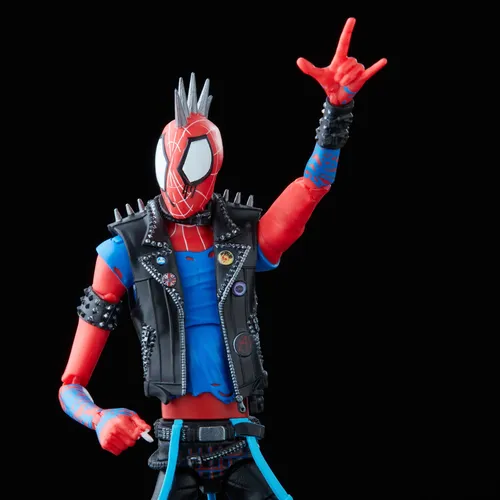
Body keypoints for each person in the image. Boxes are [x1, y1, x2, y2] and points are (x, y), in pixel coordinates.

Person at [59, 17, 387, 499]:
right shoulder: (123, 251)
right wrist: (98, 418)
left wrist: (336, 112)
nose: (180, 179)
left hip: (242, 441)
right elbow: (70, 384)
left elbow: (311, 186)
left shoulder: (243, 237)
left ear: (214, 165)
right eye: (171, 162)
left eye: (193, 162)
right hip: (174, 446)